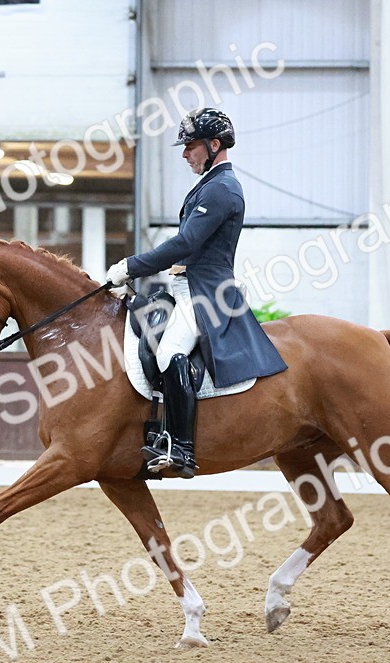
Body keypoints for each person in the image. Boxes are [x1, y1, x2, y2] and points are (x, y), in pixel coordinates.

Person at [106, 108, 287, 478]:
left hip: (206, 293)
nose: (185, 153)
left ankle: (182, 449)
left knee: (170, 351)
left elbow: (186, 243)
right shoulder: (208, 186)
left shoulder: (222, 188)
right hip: (183, 287)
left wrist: (131, 266)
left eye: (190, 145)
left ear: (213, 144)